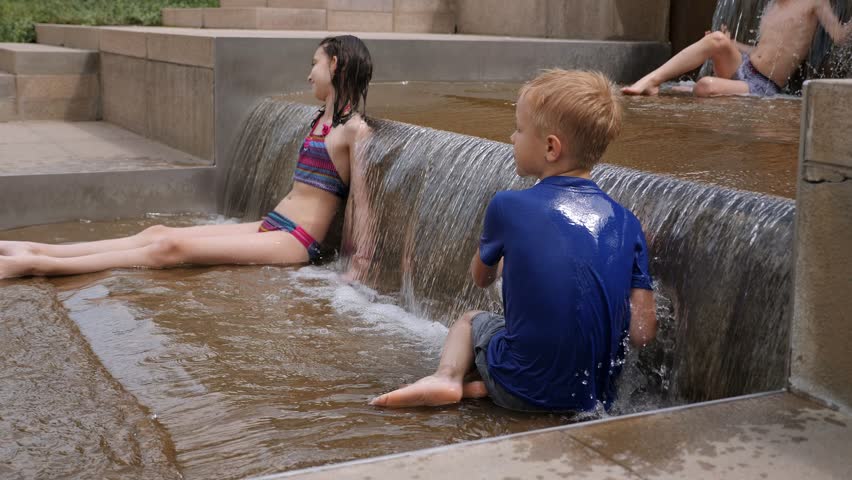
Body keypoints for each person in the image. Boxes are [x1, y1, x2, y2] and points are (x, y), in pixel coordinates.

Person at [370, 70, 657, 412]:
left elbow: (481, 278)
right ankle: (484, 387)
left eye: (519, 130)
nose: (511, 137)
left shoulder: (508, 205)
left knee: (471, 320)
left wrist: (507, 260)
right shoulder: (627, 222)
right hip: (593, 397)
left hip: (522, 388)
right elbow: (642, 332)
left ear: (551, 147)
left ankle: (446, 378)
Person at [0, 35, 373, 279]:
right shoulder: (318, 120)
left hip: (296, 241)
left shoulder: (354, 131)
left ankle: (37, 265)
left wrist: (357, 267)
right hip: (273, 223)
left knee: (168, 248)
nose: (309, 75)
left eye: (315, 63)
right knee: (157, 232)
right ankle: (42, 248)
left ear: (336, 65)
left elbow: (364, 205)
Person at [623, 0, 852, 97]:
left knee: (706, 85)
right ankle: (651, 80)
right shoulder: (773, 6)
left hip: (764, 85)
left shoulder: (814, 2)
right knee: (717, 39)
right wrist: (732, 44)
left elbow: (840, 37)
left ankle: (693, 89)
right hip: (745, 67)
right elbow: (758, 51)